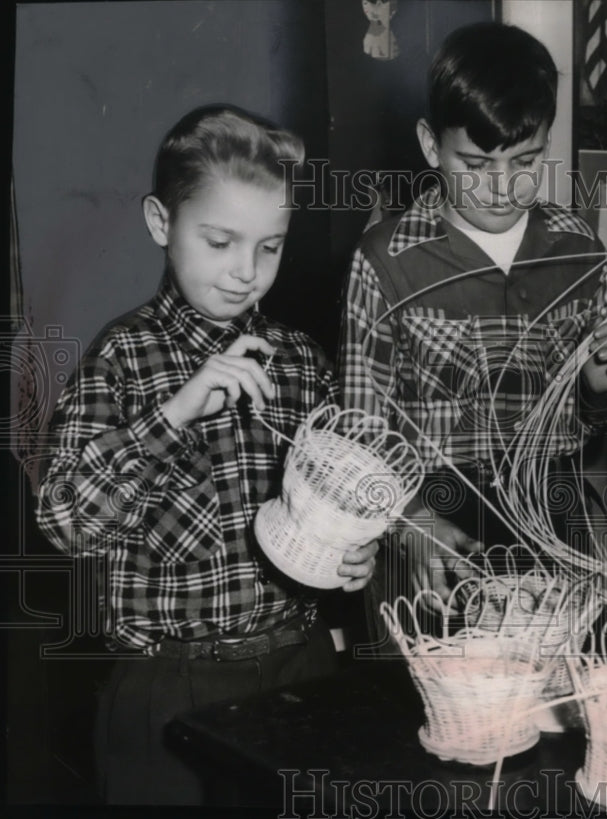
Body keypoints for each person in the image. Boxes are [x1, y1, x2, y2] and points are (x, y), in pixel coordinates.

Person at [35, 104, 379, 806]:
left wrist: (353, 550)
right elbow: (65, 521)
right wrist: (177, 410)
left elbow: (335, 501)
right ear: (163, 224)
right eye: (220, 241)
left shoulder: (300, 361)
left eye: (269, 246)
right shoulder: (121, 359)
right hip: (170, 684)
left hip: (299, 667)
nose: (245, 272)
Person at [339, 23, 607, 635]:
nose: (502, 187)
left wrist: (599, 389)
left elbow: (597, 426)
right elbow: (359, 437)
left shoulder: (580, 251)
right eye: (474, 164)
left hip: (551, 528)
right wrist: (409, 521)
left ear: (547, 143)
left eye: (524, 161)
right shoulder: (386, 260)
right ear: (431, 145)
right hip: (431, 539)